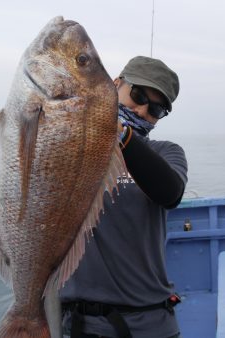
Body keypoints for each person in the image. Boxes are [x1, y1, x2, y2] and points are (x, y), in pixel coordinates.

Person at [60, 56, 188, 338]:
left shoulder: (167, 153)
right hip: (77, 324)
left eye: (155, 108)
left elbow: (170, 193)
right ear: (115, 85)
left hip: (149, 323)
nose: (142, 110)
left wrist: (119, 133)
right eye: (138, 95)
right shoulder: (73, 147)